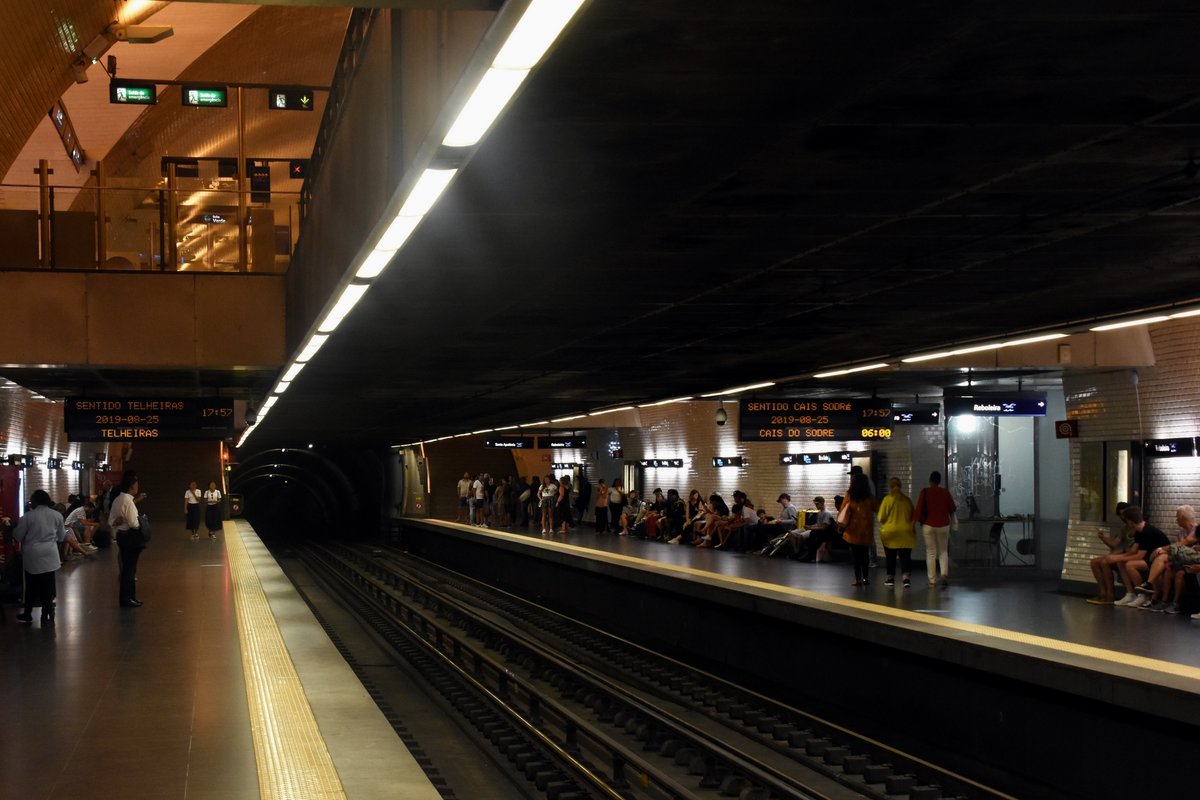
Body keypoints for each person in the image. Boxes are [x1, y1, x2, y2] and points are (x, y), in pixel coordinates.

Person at [13, 490, 69, 623]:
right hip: (50, 553)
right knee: (48, 585)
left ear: (34, 501)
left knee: (31, 585)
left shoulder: (27, 517)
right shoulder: (57, 515)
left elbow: (18, 536)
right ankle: (47, 613)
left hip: (32, 554)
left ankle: (28, 613)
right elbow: (61, 536)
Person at [1131, 505, 1198, 611]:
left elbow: (1182, 545)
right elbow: (1178, 549)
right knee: (1166, 569)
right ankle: (1163, 600)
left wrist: (1161, 549)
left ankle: (1150, 587)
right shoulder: (1181, 532)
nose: (1176, 520)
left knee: (1163, 558)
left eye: (1177, 517)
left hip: (1192, 562)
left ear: (1182, 518)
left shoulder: (1196, 531)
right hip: (1181, 560)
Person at [1112, 505, 1170, 609]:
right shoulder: (1139, 531)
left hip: (1157, 559)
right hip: (1149, 558)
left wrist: (1116, 558)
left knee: (1130, 565)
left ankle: (1143, 594)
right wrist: (1119, 558)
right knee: (1121, 563)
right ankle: (1130, 593)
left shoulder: (1147, 531)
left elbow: (1140, 555)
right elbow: (1134, 551)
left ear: (1130, 521)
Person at [913, 471, 957, 587]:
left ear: (930, 480)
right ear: (939, 481)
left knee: (931, 553)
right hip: (943, 525)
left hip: (928, 525)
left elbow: (918, 509)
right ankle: (944, 574)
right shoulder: (945, 492)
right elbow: (952, 508)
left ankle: (932, 581)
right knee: (943, 551)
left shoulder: (925, 492)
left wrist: (912, 524)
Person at [109, 471, 147, 608]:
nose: (138, 486)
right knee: (130, 570)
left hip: (121, 537)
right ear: (132, 487)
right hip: (131, 538)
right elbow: (134, 524)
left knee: (127, 569)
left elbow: (111, 521)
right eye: (136, 484)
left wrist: (118, 521)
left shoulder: (118, 500)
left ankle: (128, 597)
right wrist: (141, 521)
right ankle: (128, 598)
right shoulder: (128, 501)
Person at [1086, 502, 1133, 605]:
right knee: (1094, 562)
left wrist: (1114, 554)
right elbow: (1115, 544)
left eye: (1124, 514)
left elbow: (1129, 548)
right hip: (1122, 554)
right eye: (1120, 515)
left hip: (1129, 555)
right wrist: (1102, 537)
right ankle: (1103, 593)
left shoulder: (1135, 527)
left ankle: (1110, 594)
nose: (1122, 517)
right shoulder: (1124, 528)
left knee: (1104, 562)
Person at [877, 478, 916, 588]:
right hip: (906, 533)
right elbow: (913, 515)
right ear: (901, 486)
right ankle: (906, 579)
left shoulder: (887, 500)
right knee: (905, 556)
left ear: (890, 487)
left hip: (890, 533)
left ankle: (890, 579)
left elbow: (881, 518)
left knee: (890, 556)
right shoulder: (907, 500)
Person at [840, 473, 877, 586]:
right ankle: (866, 578)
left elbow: (842, 509)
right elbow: (877, 508)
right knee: (865, 555)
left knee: (856, 556)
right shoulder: (869, 497)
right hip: (866, 530)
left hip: (852, 530)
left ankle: (857, 579)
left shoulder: (849, 495)